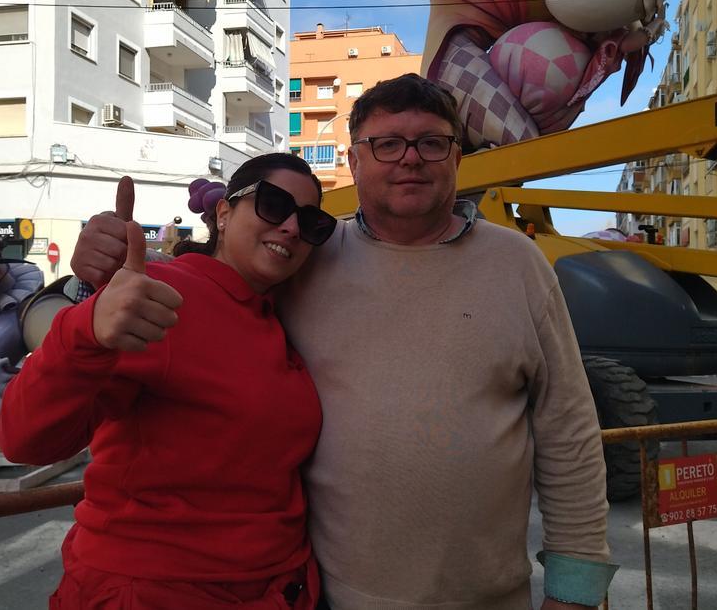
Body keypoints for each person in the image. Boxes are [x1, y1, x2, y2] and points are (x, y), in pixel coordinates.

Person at [72, 75, 613, 609]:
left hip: (489, 597)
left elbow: (567, 427)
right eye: (386, 144)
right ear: (354, 163)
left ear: (456, 159)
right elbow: (201, 288)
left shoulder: (518, 264)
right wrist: (80, 286)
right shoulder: (308, 260)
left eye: (431, 142)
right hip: (328, 595)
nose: (411, 158)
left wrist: (577, 588)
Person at [0, 154, 337, 609]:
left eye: (312, 221)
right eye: (274, 205)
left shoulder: (275, 313)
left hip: (270, 586)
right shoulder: (160, 293)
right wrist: (86, 327)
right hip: (158, 589)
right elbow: (25, 440)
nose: (292, 227)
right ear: (223, 212)